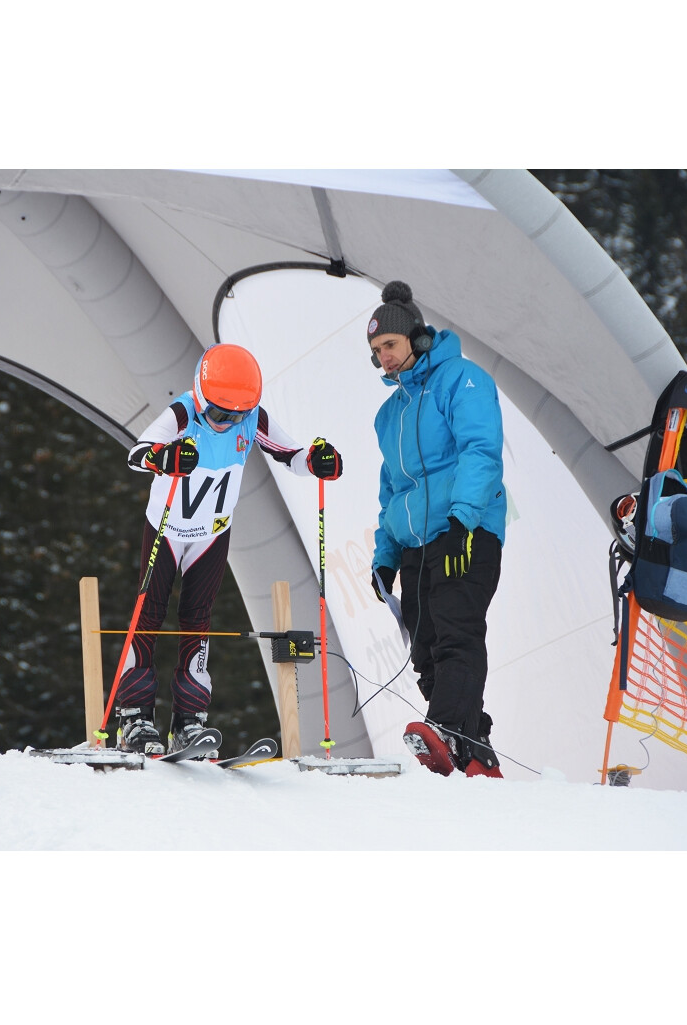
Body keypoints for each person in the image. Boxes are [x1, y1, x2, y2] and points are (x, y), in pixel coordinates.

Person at [116, 342, 342, 757]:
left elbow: (291, 455)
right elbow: (136, 454)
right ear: (202, 398)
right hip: (168, 528)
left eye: (237, 416)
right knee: (149, 613)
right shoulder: (183, 412)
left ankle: (189, 721)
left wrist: (316, 461)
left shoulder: (251, 417)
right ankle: (134, 718)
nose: (229, 423)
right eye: (220, 415)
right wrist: (163, 457)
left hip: (212, 533)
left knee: (198, 619)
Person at [368, 281, 505, 777]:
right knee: (425, 646)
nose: (383, 357)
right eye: (376, 350)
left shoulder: (462, 379)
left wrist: (463, 520)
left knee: (455, 631)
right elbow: (391, 490)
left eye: (390, 344)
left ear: (418, 338)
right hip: (415, 544)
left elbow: (481, 450)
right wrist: (385, 556)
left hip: (465, 530)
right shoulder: (388, 415)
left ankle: (446, 728)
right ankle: (474, 750)